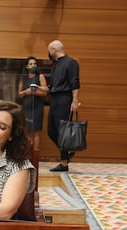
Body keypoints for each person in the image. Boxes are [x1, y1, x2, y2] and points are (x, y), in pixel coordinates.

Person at [46, 40, 81, 172]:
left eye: (49, 50)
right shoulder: (55, 65)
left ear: (54, 50)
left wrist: (75, 100)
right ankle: (68, 151)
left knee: (63, 131)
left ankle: (64, 163)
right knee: (51, 130)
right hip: (54, 99)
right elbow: (52, 86)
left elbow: (75, 82)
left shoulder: (71, 62)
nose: (48, 53)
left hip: (65, 99)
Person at [17, 56, 48, 150]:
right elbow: (20, 94)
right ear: (27, 66)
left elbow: (45, 92)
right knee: (26, 132)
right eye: (31, 64)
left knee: (35, 132)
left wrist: (33, 91)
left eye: (34, 64)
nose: (33, 65)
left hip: (37, 108)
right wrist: (26, 92)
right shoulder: (23, 78)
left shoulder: (40, 76)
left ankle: (35, 157)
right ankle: (26, 155)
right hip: (26, 108)